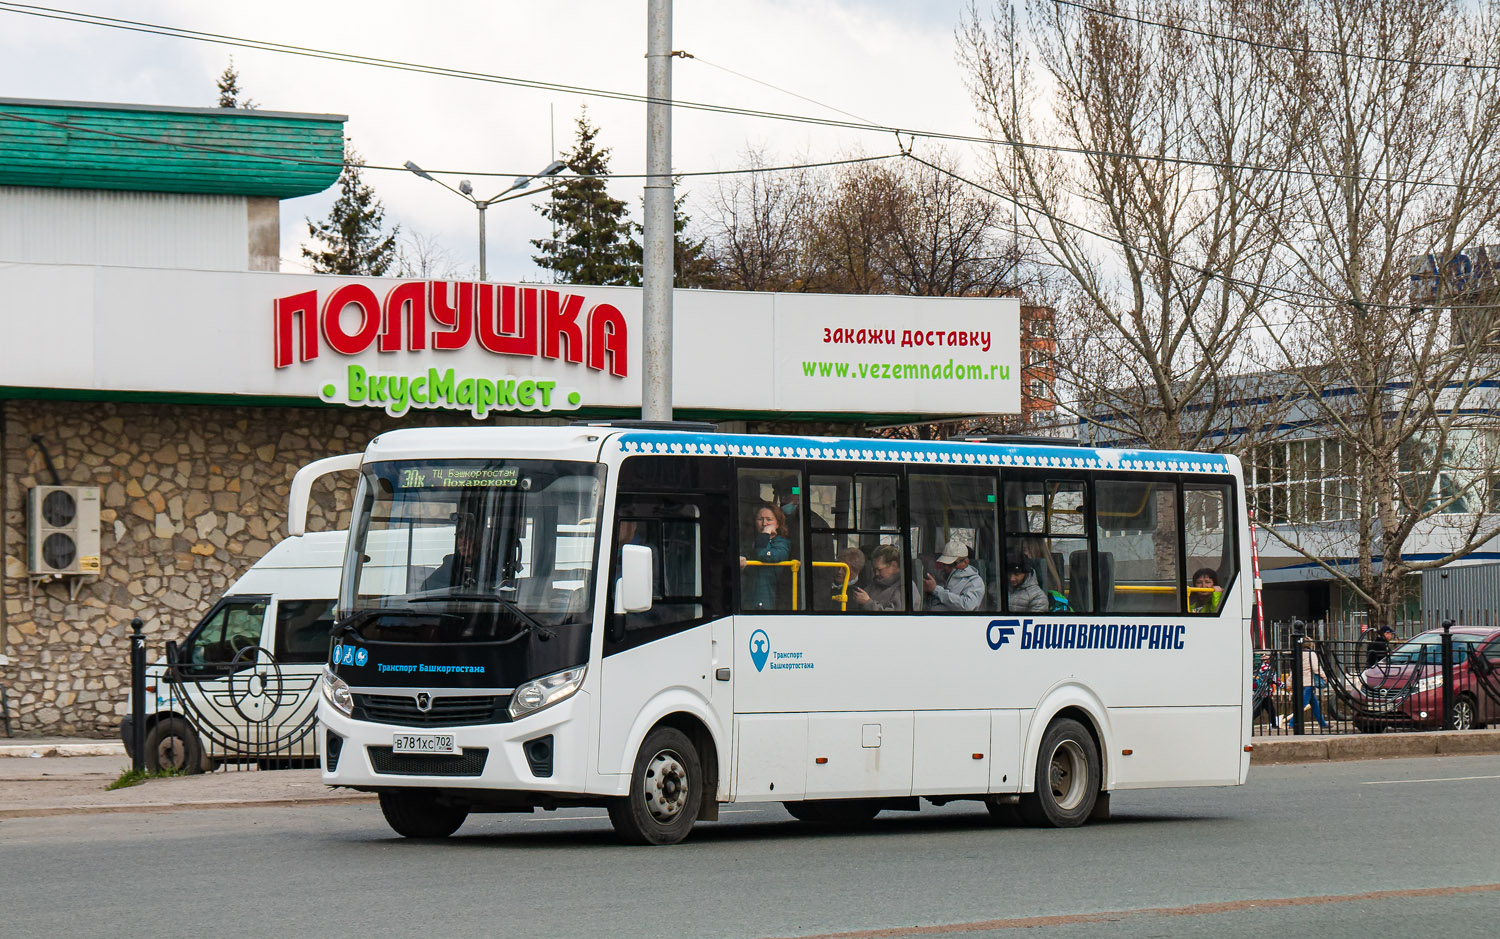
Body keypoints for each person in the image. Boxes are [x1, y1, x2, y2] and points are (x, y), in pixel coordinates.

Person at [739, 502, 790, 611]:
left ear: (778, 523)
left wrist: (765, 533)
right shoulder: (750, 543)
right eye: (760, 519)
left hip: (767, 600)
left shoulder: (781, 544)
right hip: (746, 600)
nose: (764, 523)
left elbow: (764, 555)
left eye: (769, 519)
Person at [421, 514, 480, 591]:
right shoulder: (451, 563)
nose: (463, 542)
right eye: (460, 537)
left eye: (469, 537)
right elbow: (427, 587)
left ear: (480, 539)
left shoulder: (491, 565)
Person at [923, 540, 985, 612]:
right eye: (944, 564)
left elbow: (967, 605)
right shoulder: (938, 576)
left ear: (965, 562)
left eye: (951, 564)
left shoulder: (975, 581)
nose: (946, 567)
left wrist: (936, 590)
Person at [852, 544, 904, 612]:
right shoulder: (874, 585)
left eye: (879, 570)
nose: (876, 573)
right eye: (874, 570)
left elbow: (896, 618)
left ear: (894, 565)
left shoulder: (904, 588)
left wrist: (867, 603)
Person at [1300, 638, 1331, 729]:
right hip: (1309, 682)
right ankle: (1292, 723)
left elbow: (1293, 670)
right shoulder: (1311, 654)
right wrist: (1324, 677)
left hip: (1300, 682)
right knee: (1303, 704)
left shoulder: (1298, 654)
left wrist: (1289, 683)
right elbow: (1316, 668)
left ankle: (1322, 723)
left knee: (1315, 704)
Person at [1252, 653, 1280, 729]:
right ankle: (1273, 725)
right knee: (1268, 710)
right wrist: (1283, 685)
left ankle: (1273, 724)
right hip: (1265, 691)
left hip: (1260, 691)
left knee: (1262, 709)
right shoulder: (1267, 668)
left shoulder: (1260, 667)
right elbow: (1274, 679)